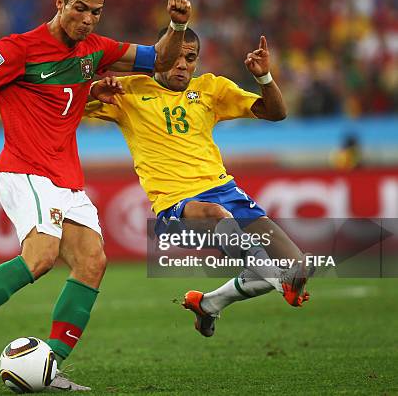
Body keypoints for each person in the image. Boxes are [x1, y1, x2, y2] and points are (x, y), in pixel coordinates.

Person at [0, 0, 191, 391]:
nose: (89, 19)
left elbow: (162, 59)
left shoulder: (96, 49)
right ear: (59, 5)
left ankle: (48, 366)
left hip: (66, 177)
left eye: (96, 11)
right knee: (40, 257)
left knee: (92, 263)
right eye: (80, 9)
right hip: (26, 169)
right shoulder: (19, 49)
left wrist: (177, 27)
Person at [85, 27, 313, 338]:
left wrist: (264, 78)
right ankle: (278, 281)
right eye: (175, 57)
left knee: (299, 267)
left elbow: (277, 113)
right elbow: (64, 104)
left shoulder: (210, 88)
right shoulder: (128, 91)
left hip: (227, 193)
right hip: (178, 203)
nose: (182, 65)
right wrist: (92, 91)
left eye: (190, 58)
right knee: (219, 219)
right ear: (160, 55)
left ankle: (209, 304)